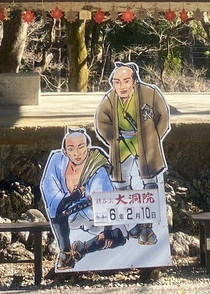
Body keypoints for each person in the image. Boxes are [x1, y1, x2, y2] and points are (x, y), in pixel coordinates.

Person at [94, 61, 171, 246]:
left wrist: (152, 136)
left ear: (134, 81)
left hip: (146, 145)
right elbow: (101, 121)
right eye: (117, 82)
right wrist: (114, 138)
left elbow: (163, 117)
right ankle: (134, 223)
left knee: (149, 182)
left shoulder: (149, 93)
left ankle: (147, 227)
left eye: (126, 81)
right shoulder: (110, 98)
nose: (121, 86)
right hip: (121, 144)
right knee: (120, 184)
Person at [40, 127, 124, 270]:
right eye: (71, 149)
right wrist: (73, 197)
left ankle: (82, 249)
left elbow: (104, 199)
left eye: (81, 147)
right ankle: (66, 253)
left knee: (118, 237)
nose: (77, 153)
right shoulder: (56, 160)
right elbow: (50, 193)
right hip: (64, 217)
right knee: (58, 213)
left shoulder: (96, 164)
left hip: (92, 216)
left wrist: (107, 231)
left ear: (87, 147)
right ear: (65, 151)